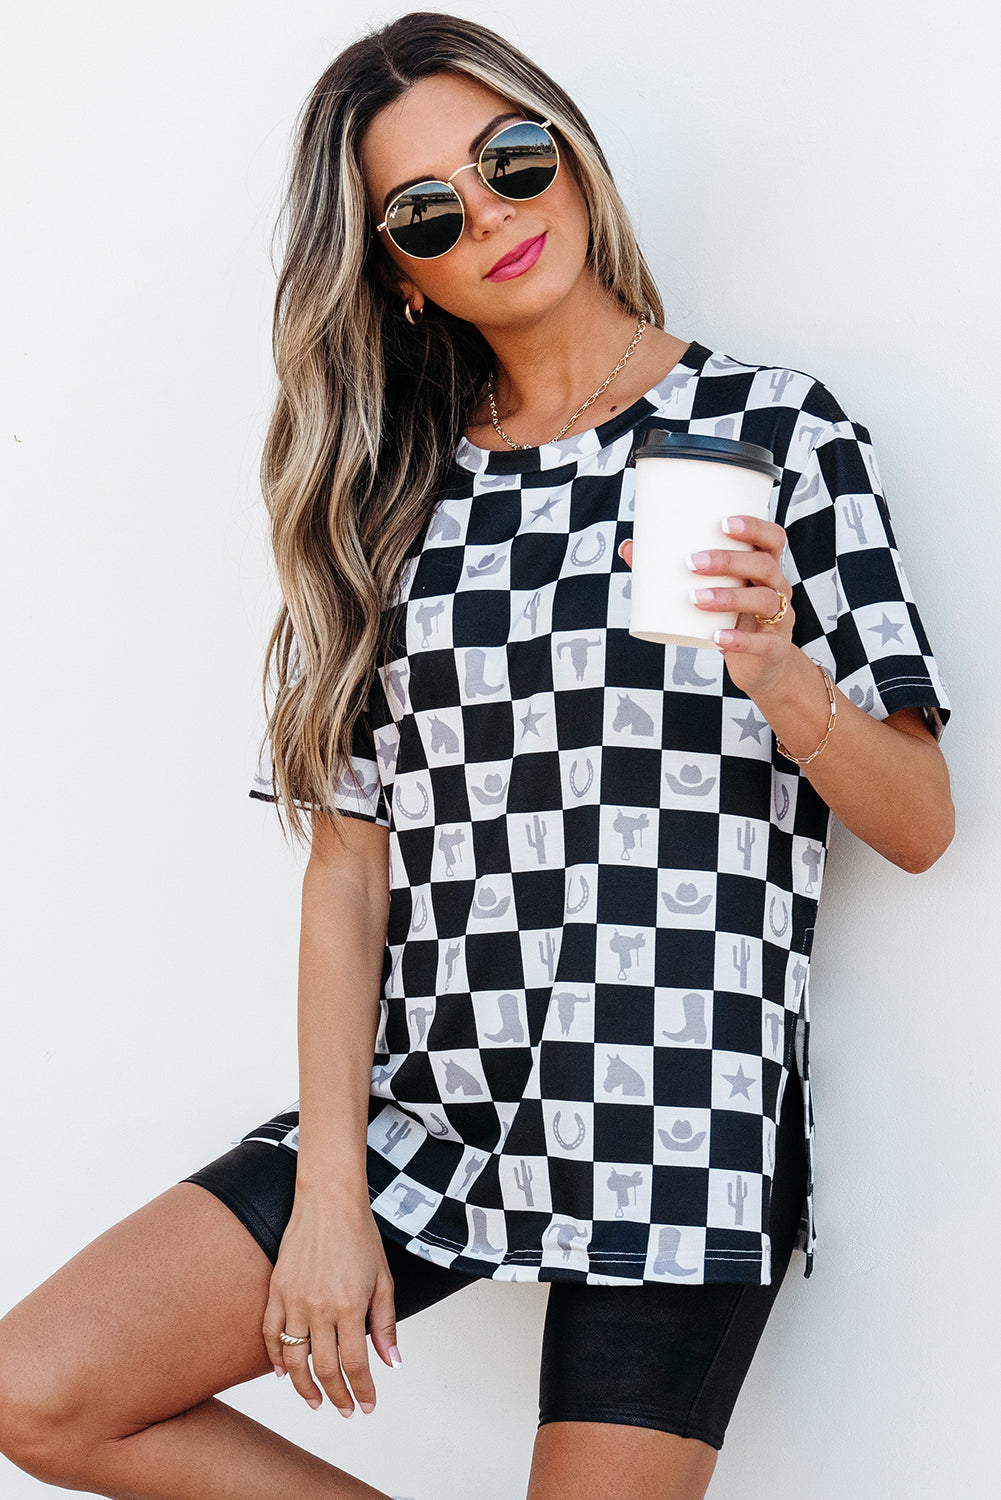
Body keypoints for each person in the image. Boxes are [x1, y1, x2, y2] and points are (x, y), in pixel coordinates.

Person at [0, 12, 954, 1500]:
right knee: (43, 1390)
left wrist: (776, 673)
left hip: (681, 1108)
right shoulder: (388, 499)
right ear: (401, 275)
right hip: (432, 1102)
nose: (494, 215)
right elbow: (347, 867)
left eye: (511, 159)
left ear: (567, 150)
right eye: (429, 213)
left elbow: (919, 824)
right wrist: (331, 1192)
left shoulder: (777, 430)